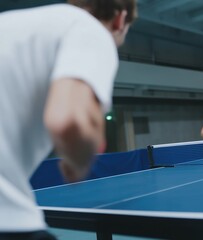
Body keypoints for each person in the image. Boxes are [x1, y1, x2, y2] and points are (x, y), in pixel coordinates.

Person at [0, 0, 137, 239]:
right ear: (120, 19)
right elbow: (67, 119)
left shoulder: (11, 23)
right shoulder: (92, 30)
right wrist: (78, 161)